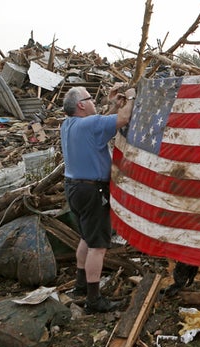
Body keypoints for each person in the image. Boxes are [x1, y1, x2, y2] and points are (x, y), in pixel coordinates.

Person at [61, 84, 136, 314]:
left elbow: (102, 120)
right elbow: (123, 118)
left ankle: (80, 286)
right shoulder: (91, 125)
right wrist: (131, 97)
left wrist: (112, 102)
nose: (94, 101)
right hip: (91, 191)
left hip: (74, 188)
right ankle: (94, 300)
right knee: (98, 247)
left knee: (85, 237)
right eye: (90, 98)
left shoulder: (68, 125)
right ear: (81, 105)